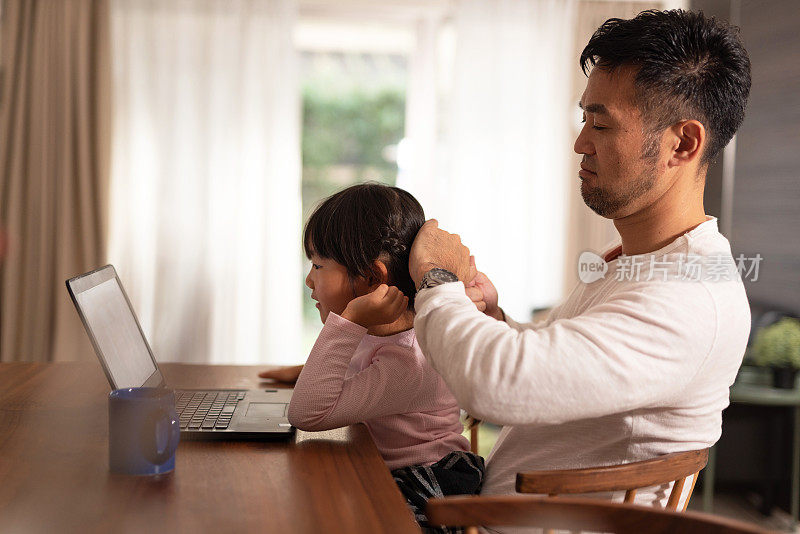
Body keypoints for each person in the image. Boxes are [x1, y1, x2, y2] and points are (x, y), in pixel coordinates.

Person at [407, 8, 752, 527]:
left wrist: (435, 279)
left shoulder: (690, 297)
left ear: (682, 143)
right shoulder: (641, 263)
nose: (580, 142)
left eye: (601, 123)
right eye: (584, 118)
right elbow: (557, 367)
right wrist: (496, 324)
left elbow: (498, 385)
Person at [261, 183, 484, 533]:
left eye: (318, 266)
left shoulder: (410, 358)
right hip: (383, 468)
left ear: (371, 277)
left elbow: (307, 413)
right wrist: (312, 370)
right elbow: (356, 372)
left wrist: (346, 323)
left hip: (425, 491)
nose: (308, 279)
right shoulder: (381, 329)